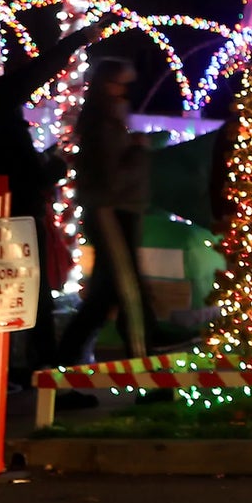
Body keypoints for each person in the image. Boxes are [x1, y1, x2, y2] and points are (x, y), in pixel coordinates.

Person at [56, 58, 156, 385]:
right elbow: (112, 177)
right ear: (107, 86)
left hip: (114, 209)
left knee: (105, 293)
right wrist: (139, 151)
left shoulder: (106, 122)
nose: (127, 94)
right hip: (112, 210)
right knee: (127, 290)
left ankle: (62, 364)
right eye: (122, 86)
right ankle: (144, 362)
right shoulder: (104, 125)